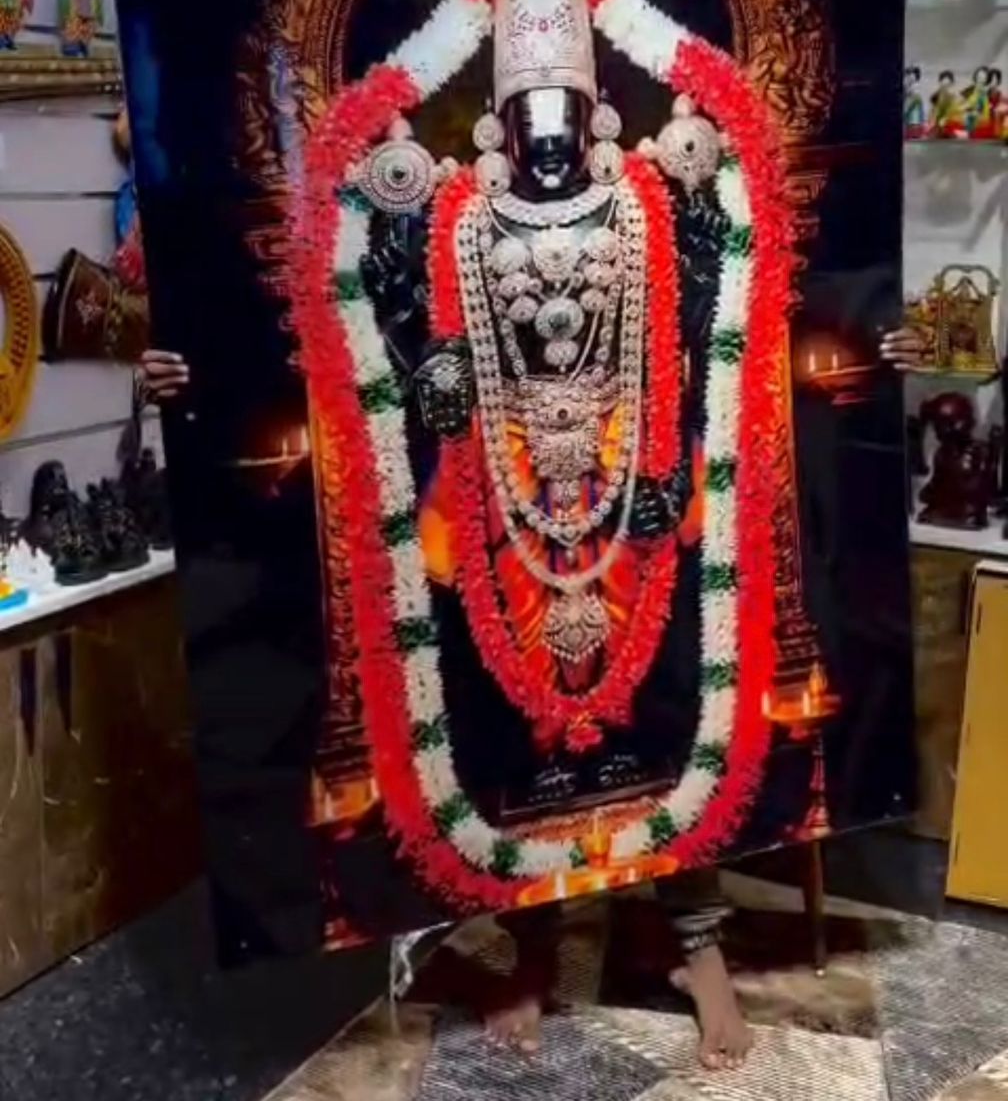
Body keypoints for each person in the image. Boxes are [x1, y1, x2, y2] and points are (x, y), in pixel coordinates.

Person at [139, 318, 924, 1069]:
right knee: (512, 713)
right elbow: (339, 330)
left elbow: (768, 316)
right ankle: (535, 944)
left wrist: (879, 343)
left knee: (670, 711)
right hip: (495, 465)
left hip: (637, 452)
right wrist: (196, 379)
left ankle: (699, 945)